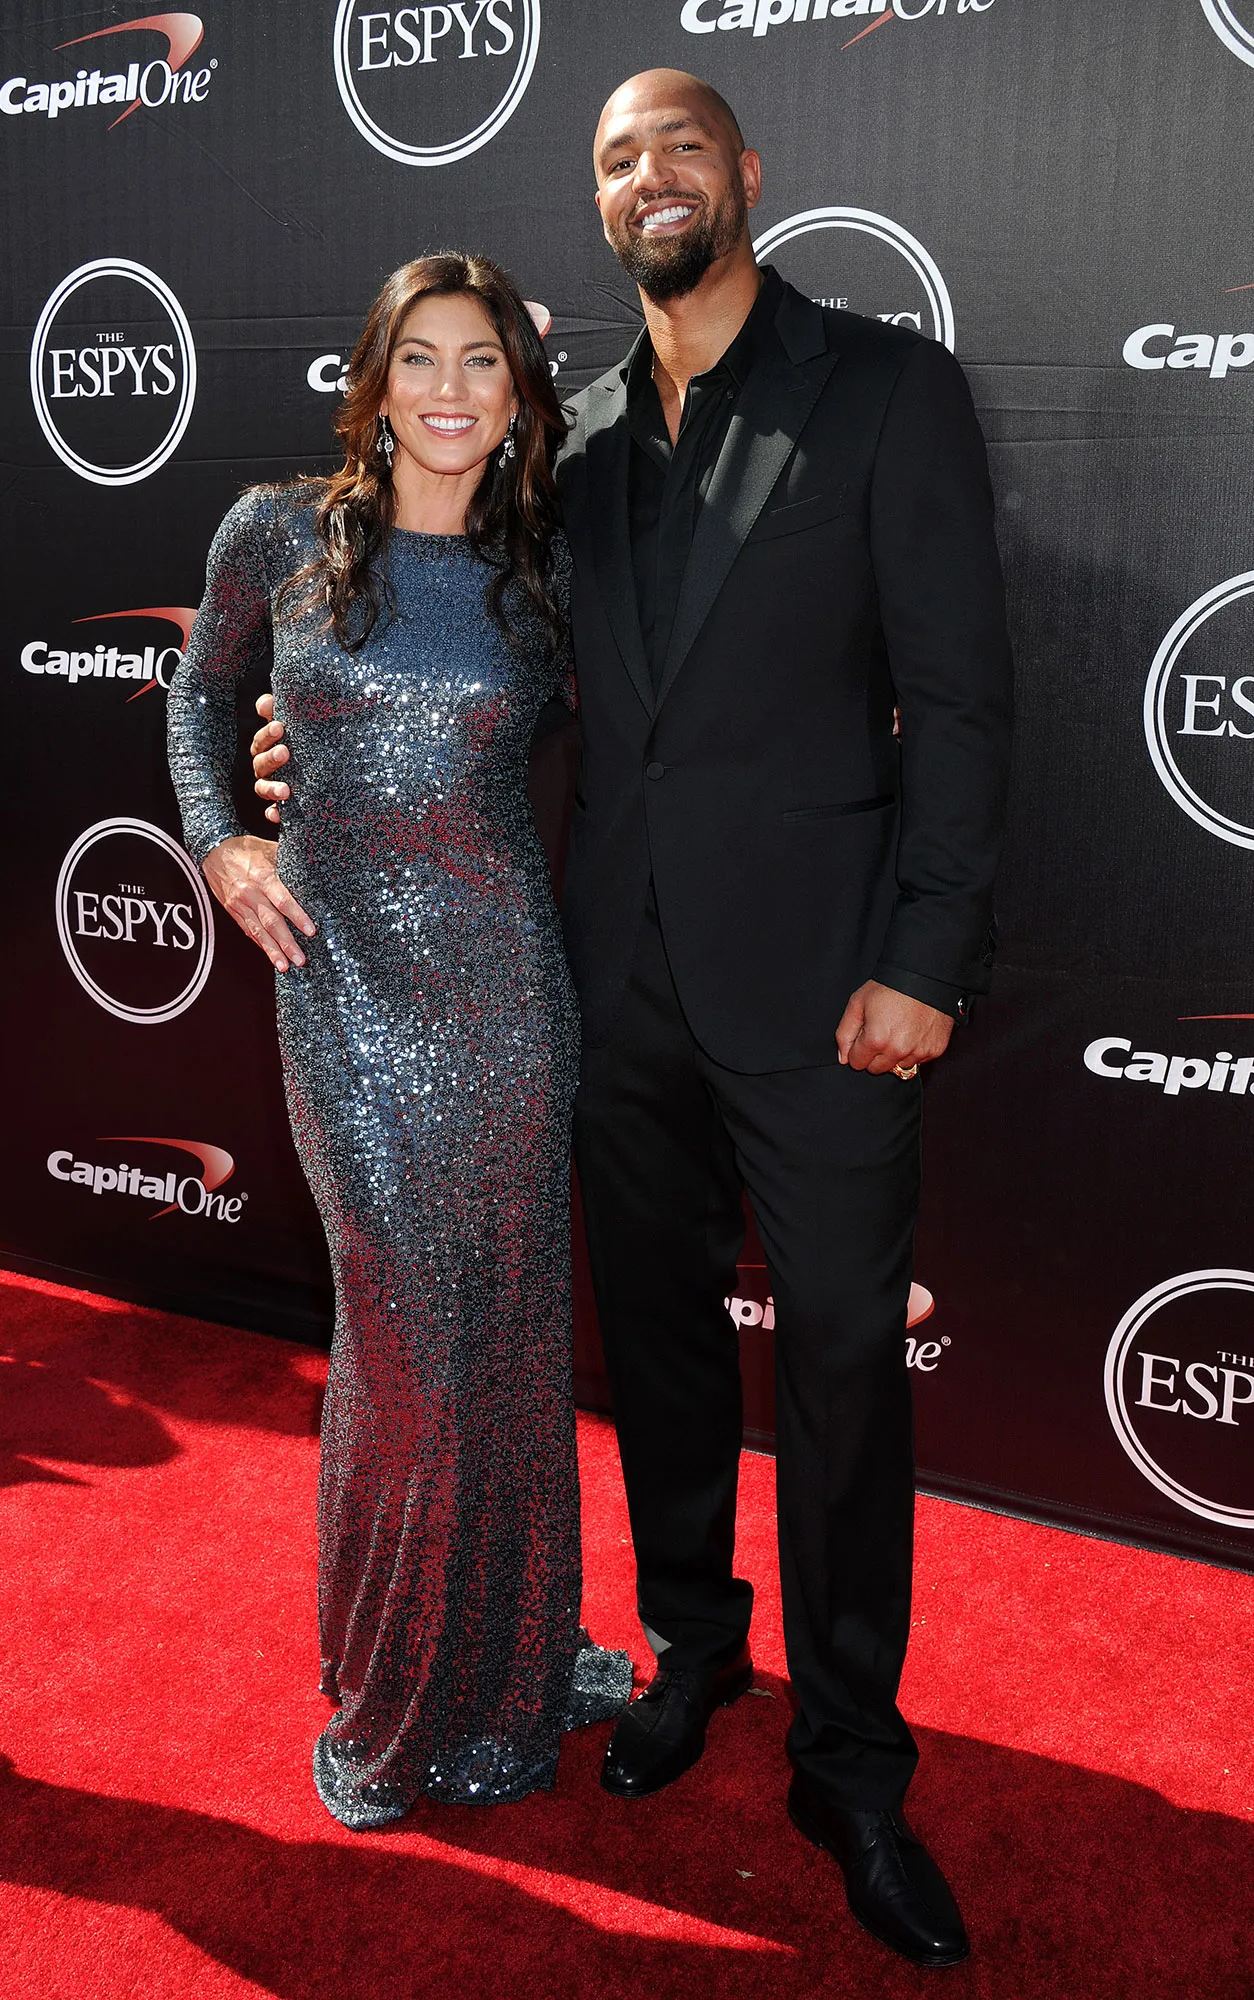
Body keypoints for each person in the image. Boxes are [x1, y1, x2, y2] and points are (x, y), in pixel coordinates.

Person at [252, 73, 1012, 1968]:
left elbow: (964, 701)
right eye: (615, 159)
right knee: (662, 1350)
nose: (649, 177)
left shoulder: (887, 388)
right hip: (607, 989)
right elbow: (460, 669)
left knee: (842, 1374)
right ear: (597, 205)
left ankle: (852, 1766)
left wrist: (926, 956)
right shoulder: (571, 444)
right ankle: (691, 1654)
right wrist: (299, 755)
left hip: (834, 992)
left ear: (745, 172)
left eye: (680, 146)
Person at [166, 253, 631, 1833]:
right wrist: (224, 844)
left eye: (482, 361)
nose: (449, 389)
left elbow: (671, 723)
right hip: (343, 992)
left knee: (503, 1337)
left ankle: (510, 1658)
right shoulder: (275, 534)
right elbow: (198, 696)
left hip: (505, 995)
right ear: (372, 382)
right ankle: (395, 1687)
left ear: (518, 396)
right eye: (420, 357)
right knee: (405, 1344)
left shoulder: (549, 569)